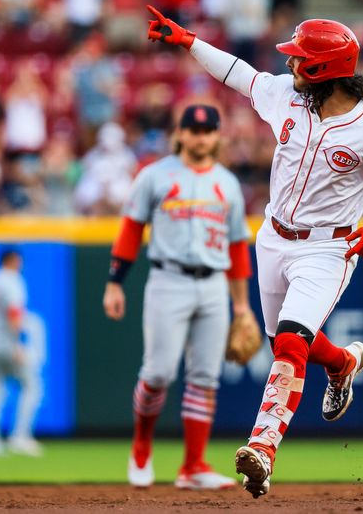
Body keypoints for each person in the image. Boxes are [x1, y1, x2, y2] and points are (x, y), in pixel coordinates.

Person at [146, 6, 363, 498]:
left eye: (300, 59)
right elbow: (239, 75)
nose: (290, 65)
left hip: (329, 248)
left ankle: (262, 449)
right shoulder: (288, 96)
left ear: (323, 71)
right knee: (287, 345)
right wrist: (188, 41)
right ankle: (342, 365)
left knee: (289, 342)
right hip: (272, 237)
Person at [102, 104, 253, 490]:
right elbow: (131, 230)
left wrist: (242, 307)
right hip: (168, 280)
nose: (201, 137)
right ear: (181, 133)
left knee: (205, 377)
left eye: (208, 131)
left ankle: (193, 467)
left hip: (214, 284)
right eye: (194, 130)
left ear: (217, 136)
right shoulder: (155, 175)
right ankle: (141, 447)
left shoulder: (227, 183)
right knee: (157, 373)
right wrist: (115, 282)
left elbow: (237, 248)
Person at [0, 249, 44, 457]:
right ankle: (20, 436)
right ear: (12, 260)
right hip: (7, 342)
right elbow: (14, 313)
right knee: (32, 386)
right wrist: (16, 344)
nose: (20, 264)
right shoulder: (12, 281)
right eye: (18, 260)